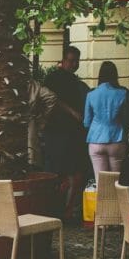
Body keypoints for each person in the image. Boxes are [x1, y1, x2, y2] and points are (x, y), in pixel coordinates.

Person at [43, 45, 90, 219]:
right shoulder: (54, 78)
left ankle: (66, 210)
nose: (73, 64)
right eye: (70, 61)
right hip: (56, 132)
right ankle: (55, 209)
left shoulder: (74, 81)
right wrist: (73, 112)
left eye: (76, 61)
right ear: (63, 60)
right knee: (57, 171)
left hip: (72, 133)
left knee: (72, 170)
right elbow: (53, 99)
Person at [84, 60, 128, 177]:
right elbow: (125, 119)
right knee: (116, 181)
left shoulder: (91, 94)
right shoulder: (122, 94)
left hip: (95, 140)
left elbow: (86, 122)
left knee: (101, 182)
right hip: (116, 139)